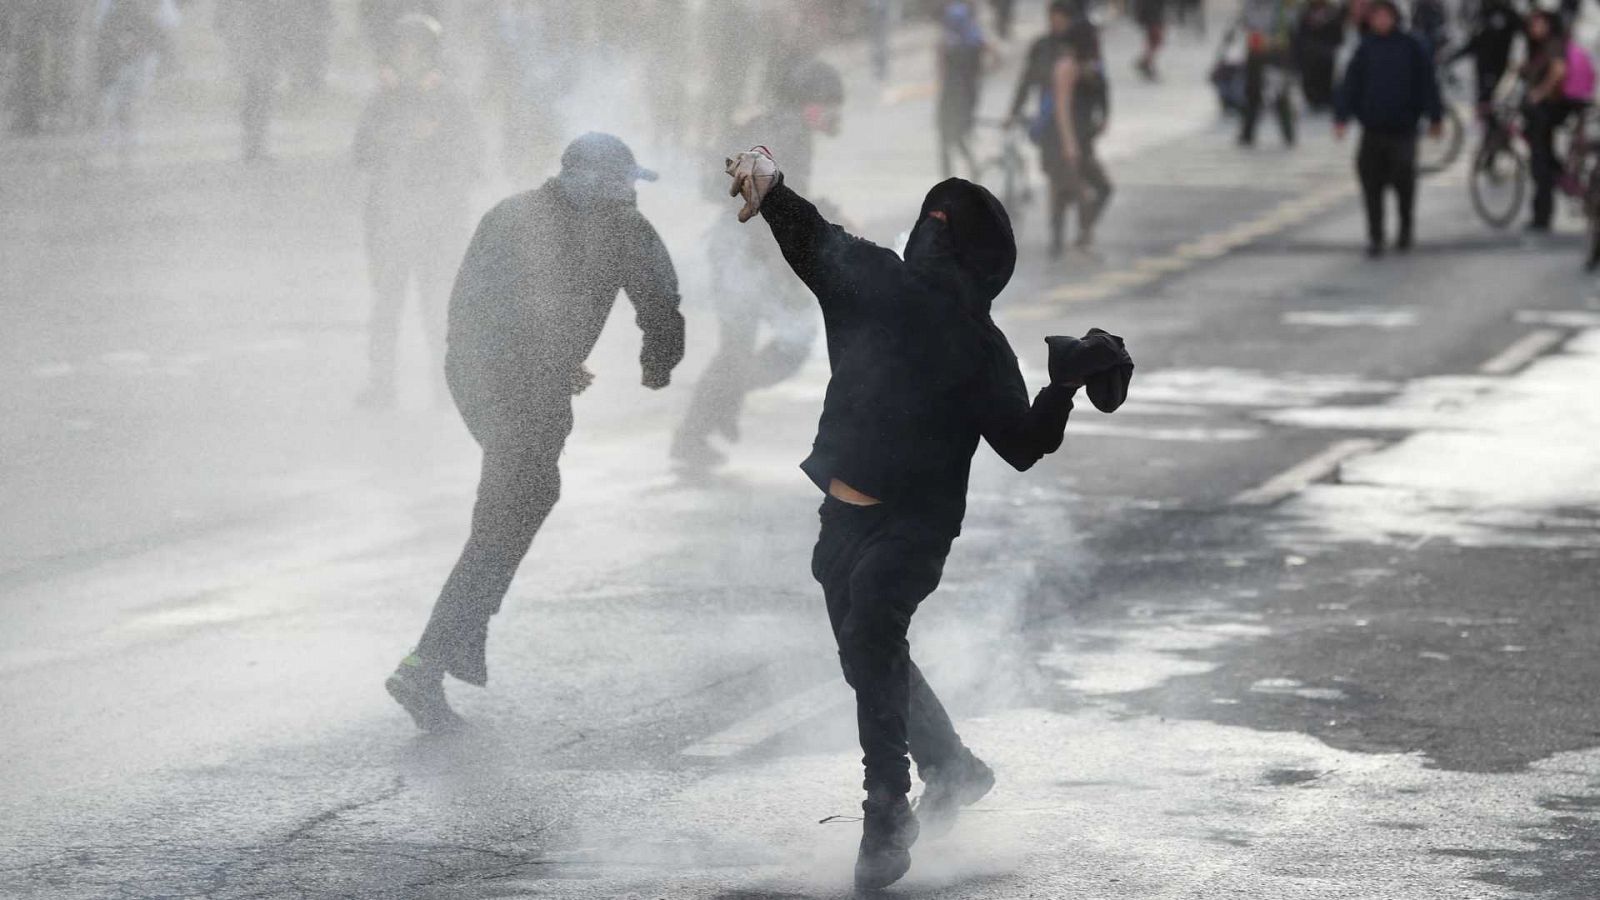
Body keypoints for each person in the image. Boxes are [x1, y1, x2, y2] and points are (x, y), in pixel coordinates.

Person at [721, 146, 1132, 890]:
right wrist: (771, 188)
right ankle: (954, 769)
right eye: (934, 219)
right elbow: (813, 236)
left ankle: (886, 816)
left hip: (914, 527)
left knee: (874, 628)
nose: (935, 231)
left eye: (948, 225)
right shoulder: (879, 284)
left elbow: (1020, 445)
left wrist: (1064, 384)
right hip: (840, 516)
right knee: (865, 654)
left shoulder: (973, 340)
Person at [385, 133, 685, 731]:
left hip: (495, 377)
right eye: (624, 181)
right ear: (596, 183)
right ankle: (431, 659)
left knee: (518, 502)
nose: (631, 193)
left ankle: (449, 648)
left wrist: (653, 357)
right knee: (515, 503)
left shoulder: (552, 218)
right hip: (503, 381)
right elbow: (484, 314)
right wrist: (644, 361)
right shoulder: (572, 224)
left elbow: (658, 300)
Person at [670, 59, 843, 470]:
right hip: (746, 250)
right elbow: (771, 207)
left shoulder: (781, 127)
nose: (838, 115)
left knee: (736, 350)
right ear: (812, 106)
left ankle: (705, 424)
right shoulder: (791, 133)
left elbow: (784, 196)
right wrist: (789, 273)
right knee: (792, 341)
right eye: (832, 104)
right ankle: (712, 413)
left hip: (736, 245)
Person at [352, 14, 483, 408]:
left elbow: (472, 158)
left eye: (416, 50)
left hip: (436, 222)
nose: (407, 58)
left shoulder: (450, 100)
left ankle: (445, 388)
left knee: (436, 305)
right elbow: (360, 153)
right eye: (401, 49)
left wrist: (433, 144)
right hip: (390, 219)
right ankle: (382, 384)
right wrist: (390, 137)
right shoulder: (382, 99)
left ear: (431, 55)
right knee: (387, 305)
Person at [1334, 0, 1443, 256]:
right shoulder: (1365, 48)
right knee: (1371, 183)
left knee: (1404, 180)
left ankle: (1405, 230)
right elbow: (1350, 85)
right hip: (1372, 129)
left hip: (1403, 129)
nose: (1381, 21)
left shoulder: (1412, 46)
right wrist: (1342, 117)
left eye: (1386, 16)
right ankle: (1376, 236)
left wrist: (1435, 117)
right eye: (1377, 17)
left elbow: (1427, 83)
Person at [1009, 1, 1111, 256]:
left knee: (1095, 188)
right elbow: (1030, 84)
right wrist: (1013, 112)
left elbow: (1102, 87)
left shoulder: (1085, 58)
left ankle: (1079, 236)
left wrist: (1104, 115)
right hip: (1056, 135)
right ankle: (1062, 241)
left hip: (1081, 133)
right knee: (1062, 189)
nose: (1057, 22)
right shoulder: (1045, 49)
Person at [92, 0, 178, 166]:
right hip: (121, 62)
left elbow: (158, 34)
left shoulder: (139, 13)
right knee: (120, 100)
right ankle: (122, 134)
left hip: (137, 60)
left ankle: (126, 135)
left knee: (128, 99)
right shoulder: (115, 13)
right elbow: (104, 33)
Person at [1520, 10, 1573, 232]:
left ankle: (1543, 214)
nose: (1535, 28)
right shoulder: (1538, 47)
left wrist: (1539, 93)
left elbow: (1558, 71)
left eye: (1539, 24)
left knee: (1541, 164)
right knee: (1544, 160)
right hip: (1540, 114)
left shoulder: (1553, 45)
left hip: (1548, 112)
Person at [1235, 0, 1298, 146]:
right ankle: (1247, 134)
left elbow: (1291, 21)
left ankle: (1288, 135)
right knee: (1253, 94)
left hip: (1277, 53)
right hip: (1256, 53)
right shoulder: (1251, 4)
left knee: (1280, 94)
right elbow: (1246, 22)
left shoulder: (1283, 5)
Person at [937, 1, 988, 178]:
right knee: (955, 136)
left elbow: (941, 70)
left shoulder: (949, 43)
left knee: (948, 138)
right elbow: (987, 67)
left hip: (952, 96)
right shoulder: (975, 40)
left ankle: (950, 177)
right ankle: (970, 169)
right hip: (966, 95)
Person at [1445, 0, 1523, 109]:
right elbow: (1474, 42)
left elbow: (1521, 39)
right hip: (1481, 69)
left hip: (1499, 68)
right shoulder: (1483, 13)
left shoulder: (1509, 15)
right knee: (1482, 102)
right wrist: (1452, 57)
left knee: (1495, 103)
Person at [1294, 0, 1345, 111]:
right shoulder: (1304, 12)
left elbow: (1338, 36)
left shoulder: (1333, 12)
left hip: (1327, 57)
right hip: (1308, 57)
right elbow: (1299, 36)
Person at [1133, 0, 1167, 80]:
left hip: (1154, 13)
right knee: (1156, 38)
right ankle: (1146, 62)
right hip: (1151, 13)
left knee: (1154, 39)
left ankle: (1146, 61)